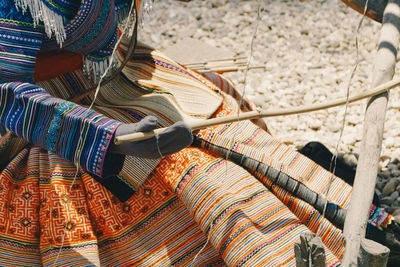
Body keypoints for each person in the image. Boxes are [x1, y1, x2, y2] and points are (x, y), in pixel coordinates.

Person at [0, 0, 397, 266]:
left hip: (125, 78)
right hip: (50, 116)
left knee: (229, 121)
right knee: (194, 172)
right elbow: (7, 91)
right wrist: (106, 137)